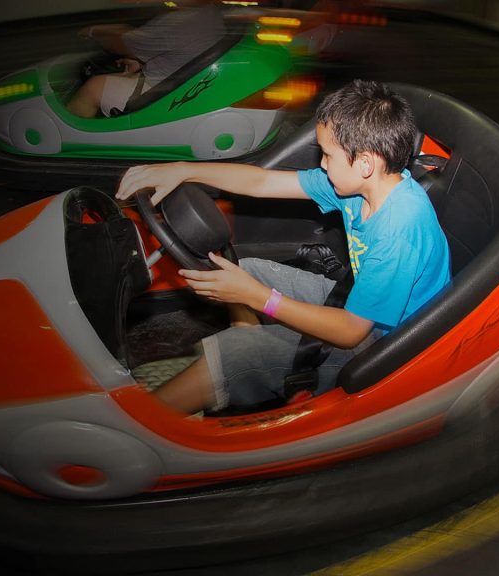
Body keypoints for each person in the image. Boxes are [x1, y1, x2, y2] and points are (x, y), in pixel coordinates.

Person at [115, 79, 451, 415]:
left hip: (387, 345)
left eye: (328, 155)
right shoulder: (362, 186)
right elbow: (261, 181)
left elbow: (351, 332)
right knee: (247, 272)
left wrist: (259, 298)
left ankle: (141, 425)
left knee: (240, 349)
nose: (322, 164)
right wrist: (183, 171)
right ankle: (250, 354)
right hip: (361, 304)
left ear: (365, 163)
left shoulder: (399, 228)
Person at [66, 1, 226, 118]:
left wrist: (93, 31)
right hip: (182, 81)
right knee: (120, 73)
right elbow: (180, 49)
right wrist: (142, 61)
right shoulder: (211, 13)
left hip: (162, 95)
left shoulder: (180, 21)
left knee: (93, 88)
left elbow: (123, 44)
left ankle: (71, 140)